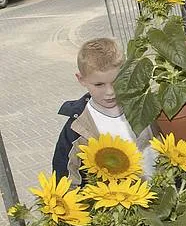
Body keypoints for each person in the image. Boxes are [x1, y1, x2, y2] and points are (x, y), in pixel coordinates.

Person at [53, 38, 155, 186]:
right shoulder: (77, 128)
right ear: (81, 79)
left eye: (116, 81)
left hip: (157, 192)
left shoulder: (145, 106)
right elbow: (65, 176)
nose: (110, 92)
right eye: (99, 84)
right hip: (112, 197)